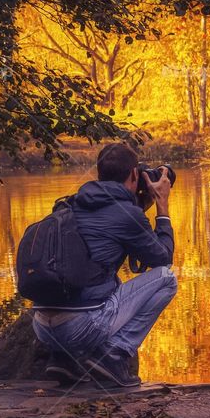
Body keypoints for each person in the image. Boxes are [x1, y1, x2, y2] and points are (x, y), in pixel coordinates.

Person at [30, 143, 176, 387]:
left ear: (99, 174)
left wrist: (137, 206)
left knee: (104, 281)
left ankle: (63, 359)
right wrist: (161, 206)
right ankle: (114, 355)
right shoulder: (126, 215)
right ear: (134, 175)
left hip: (42, 328)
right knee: (166, 278)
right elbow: (162, 258)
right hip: (81, 329)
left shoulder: (70, 203)